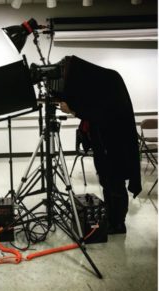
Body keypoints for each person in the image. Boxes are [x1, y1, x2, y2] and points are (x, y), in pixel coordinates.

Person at [58, 56, 142, 235]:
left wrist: (73, 110)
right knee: (106, 182)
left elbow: (103, 114)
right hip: (103, 145)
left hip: (116, 145)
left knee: (116, 184)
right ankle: (111, 218)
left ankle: (118, 223)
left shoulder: (111, 80)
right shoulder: (101, 84)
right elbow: (92, 110)